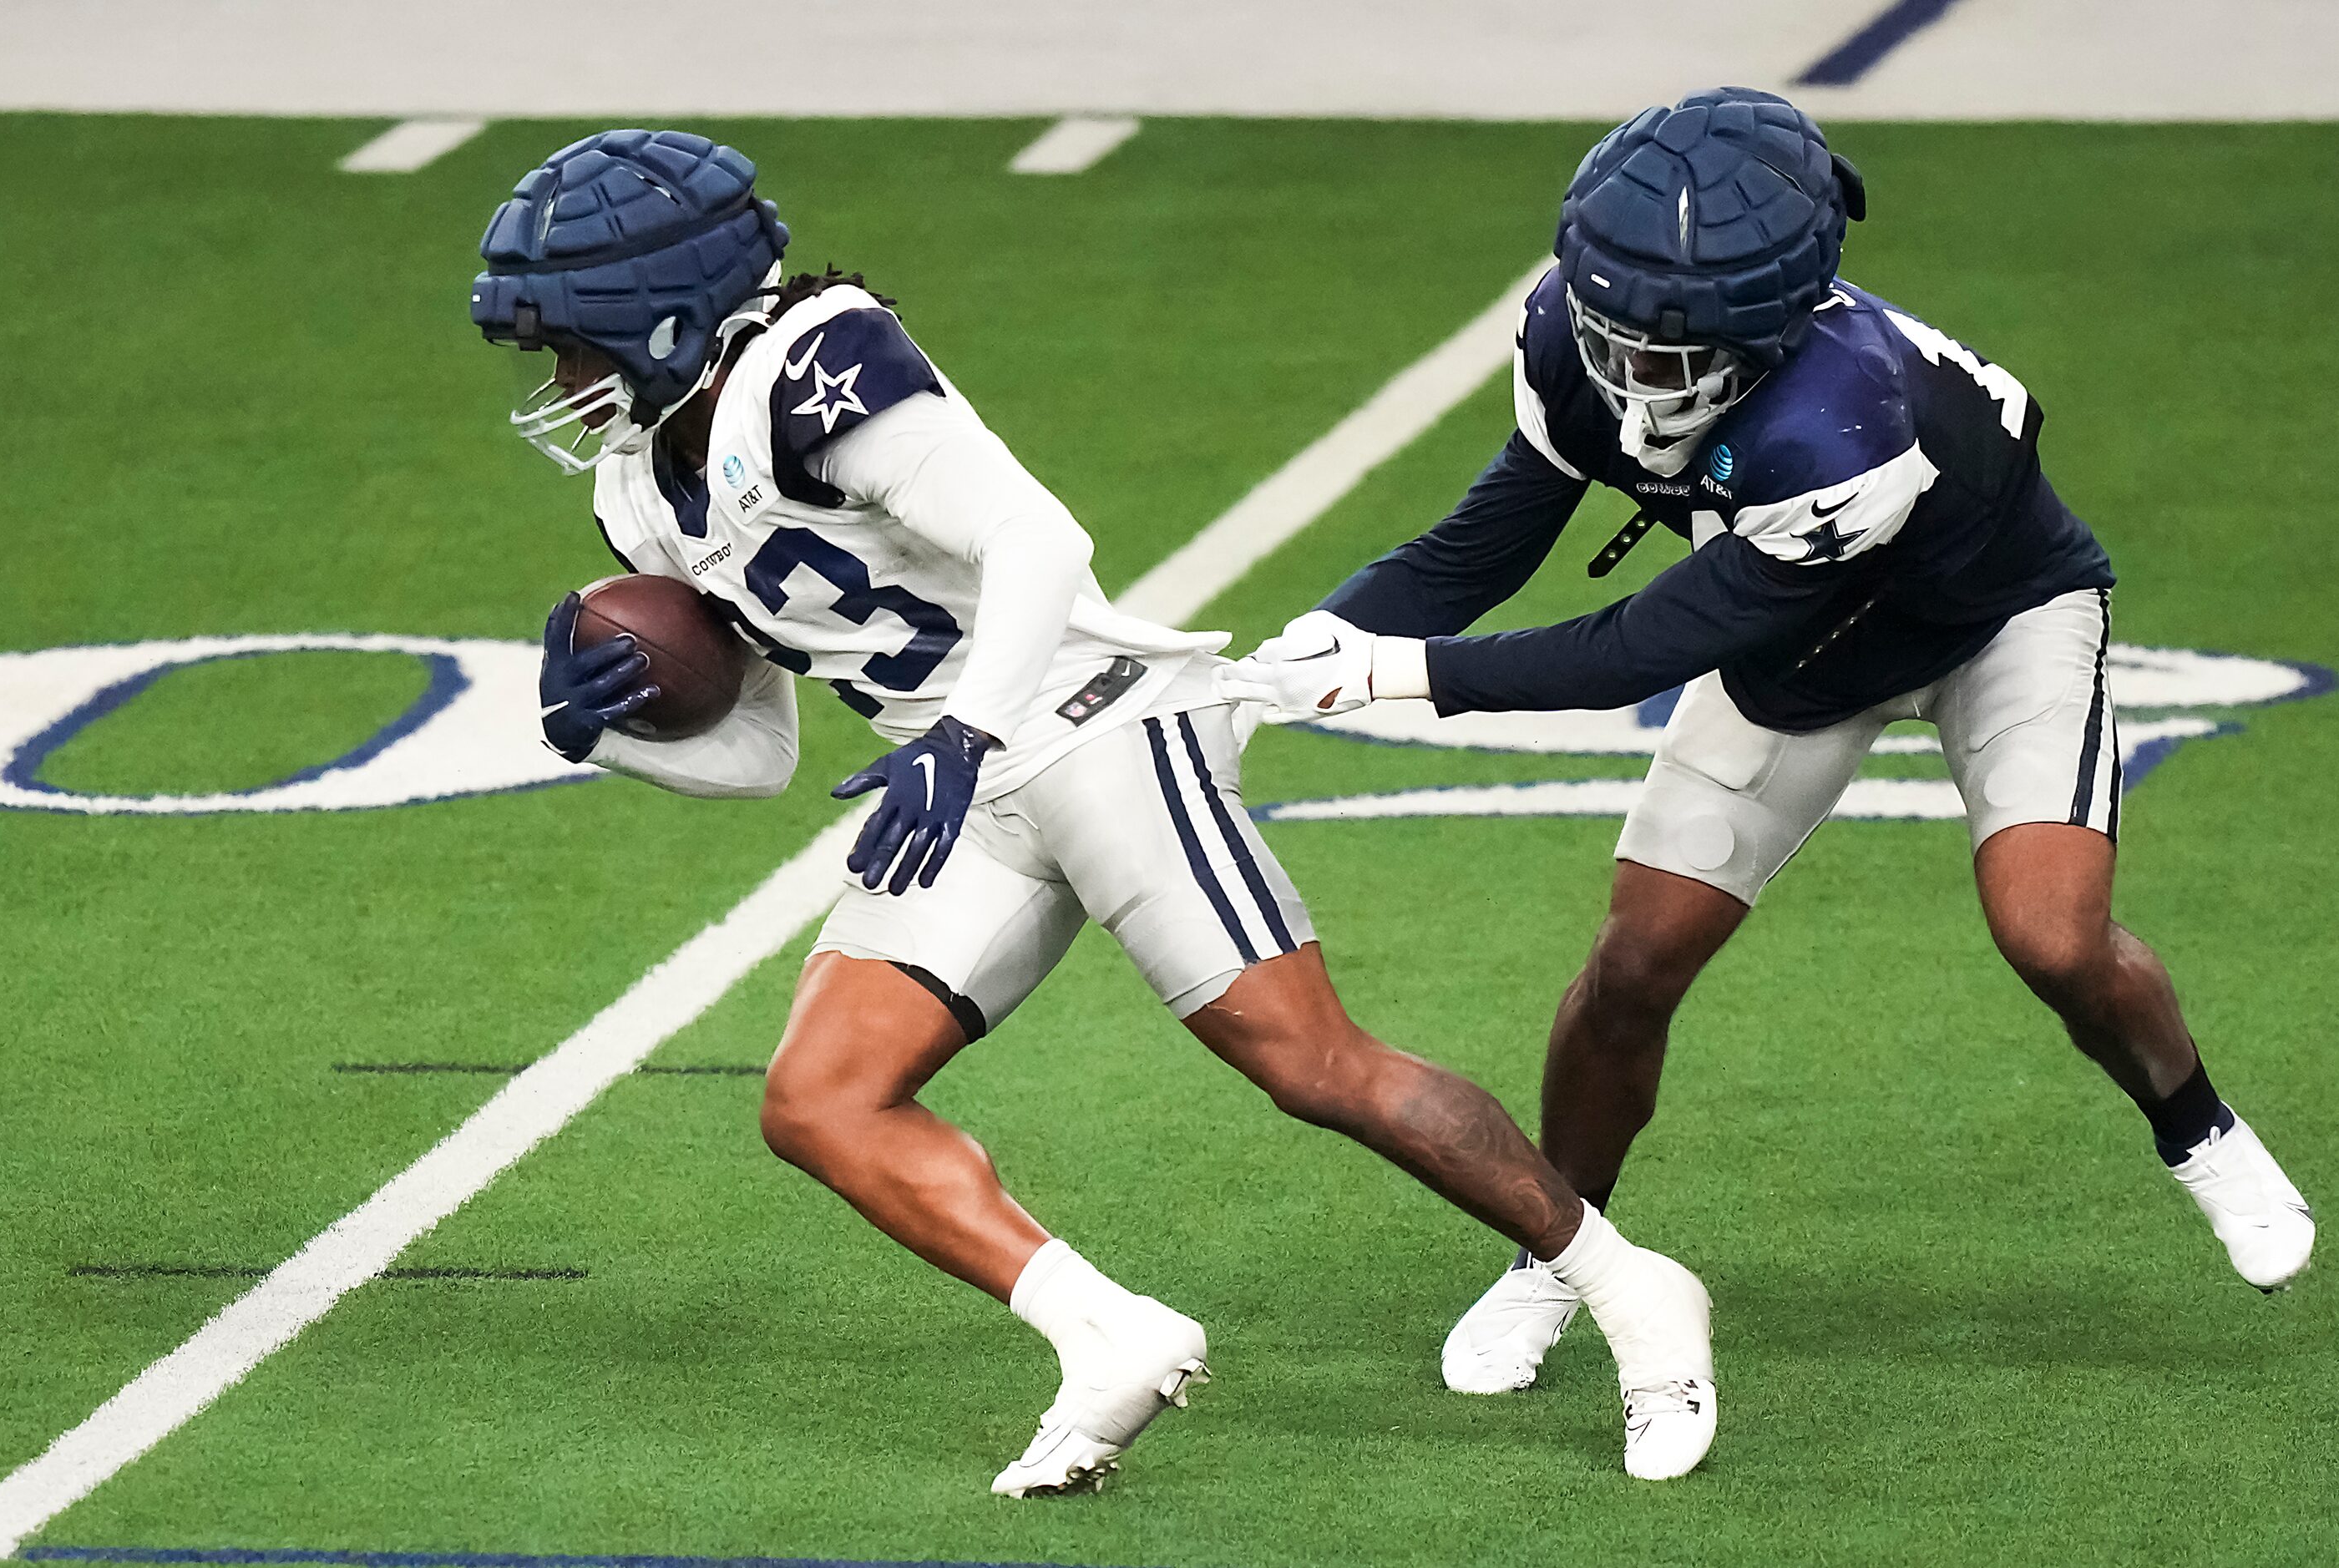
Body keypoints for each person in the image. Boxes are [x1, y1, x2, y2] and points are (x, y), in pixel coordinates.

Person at [470, 129, 1718, 1490]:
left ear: (659, 310)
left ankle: (1629, 1284)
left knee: (1307, 1060)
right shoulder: (638, 489)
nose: (562, 382)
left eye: (571, 344)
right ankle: (1105, 1332)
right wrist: (597, 735)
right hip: (955, 780)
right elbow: (760, 752)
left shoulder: (817, 360)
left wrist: (967, 726)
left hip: (1089, 722)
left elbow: (1038, 542)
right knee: (820, 1100)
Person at [1219, 88, 2313, 1399]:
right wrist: (1298, 649)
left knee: (2052, 934)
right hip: (1799, 646)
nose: (1625, 371)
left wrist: (1396, 679)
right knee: (1632, 962)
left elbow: (1637, 646)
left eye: (1665, 351)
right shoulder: (1578, 343)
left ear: (1764, 334)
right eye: (1606, 327)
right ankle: (1563, 1251)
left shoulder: (1843, 425)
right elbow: (1477, 548)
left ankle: (2198, 1130)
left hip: (1989, 624)